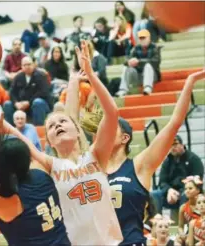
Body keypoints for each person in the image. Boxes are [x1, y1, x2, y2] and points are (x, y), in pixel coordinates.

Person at [0, 40, 123, 245]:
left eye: (62, 121)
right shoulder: (48, 168)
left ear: (77, 128)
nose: (58, 125)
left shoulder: (96, 155)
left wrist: (90, 74)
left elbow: (112, 113)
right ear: (50, 142)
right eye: (52, 126)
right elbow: (6, 128)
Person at [74, 66, 205, 244]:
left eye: (112, 129)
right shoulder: (92, 165)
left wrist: (189, 82)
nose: (105, 133)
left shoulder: (138, 166)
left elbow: (174, 124)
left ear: (125, 138)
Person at [151, 135, 204, 214]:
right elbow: (162, 182)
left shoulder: (194, 159)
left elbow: (197, 182)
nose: (173, 147)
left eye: (175, 144)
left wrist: (181, 192)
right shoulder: (168, 161)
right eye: (170, 145)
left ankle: (183, 224)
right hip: (170, 194)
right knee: (154, 194)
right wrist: (169, 190)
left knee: (186, 194)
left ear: (182, 145)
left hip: (186, 192)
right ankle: (157, 221)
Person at [3, 56, 51, 126]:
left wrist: (29, 102)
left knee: (37, 102)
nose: (27, 67)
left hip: (40, 105)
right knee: (7, 104)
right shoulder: (18, 77)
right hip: (21, 105)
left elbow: (43, 92)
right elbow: (12, 92)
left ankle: (39, 130)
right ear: (21, 67)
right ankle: (10, 131)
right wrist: (16, 103)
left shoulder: (41, 75)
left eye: (29, 64)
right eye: (24, 65)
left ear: (33, 65)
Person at [116, 29, 161, 97]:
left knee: (148, 65)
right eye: (140, 38)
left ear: (149, 38)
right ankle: (123, 90)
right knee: (126, 67)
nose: (142, 40)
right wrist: (129, 62)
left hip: (152, 76)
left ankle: (147, 88)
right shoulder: (135, 49)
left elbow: (156, 62)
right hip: (138, 76)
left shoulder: (155, 47)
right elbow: (126, 61)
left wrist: (139, 62)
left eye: (144, 38)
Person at [178, 176, 202, 245]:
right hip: (190, 232)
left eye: (190, 188)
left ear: (198, 190)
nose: (187, 191)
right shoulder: (183, 207)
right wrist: (182, 233)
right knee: (178, 240)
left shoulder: (203, 204)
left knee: (189, 241)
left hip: (202, 231)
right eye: (185, 189)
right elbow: (180, 226)